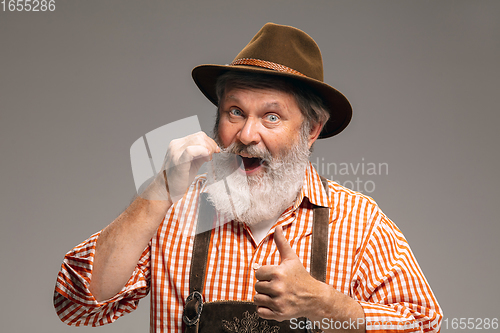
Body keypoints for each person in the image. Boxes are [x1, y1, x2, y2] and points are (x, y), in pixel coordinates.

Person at [54, 23, 442, 332]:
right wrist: (159, 189)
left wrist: (323, 304)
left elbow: (423, 325)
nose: (246, 135)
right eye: (235, 112)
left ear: (311, 129)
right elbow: (77, 303)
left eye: (271, 116)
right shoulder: (172, 211)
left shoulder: (359, 223)